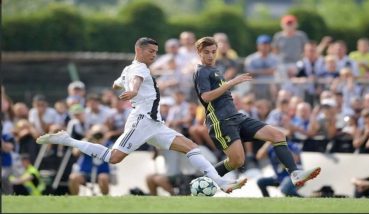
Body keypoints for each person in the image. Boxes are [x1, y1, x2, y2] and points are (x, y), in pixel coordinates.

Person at [36, 37, 246, 193]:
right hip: (141, 121)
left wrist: (122, 86)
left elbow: (116, 83)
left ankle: (222, 183)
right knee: (114, 157)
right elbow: (135, 80)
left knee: (192, 147)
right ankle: (67, 140)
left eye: (156, 52)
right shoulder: (140, 69)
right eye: (151, 51)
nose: (154, 55)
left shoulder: (129, 68)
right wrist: (134, 90)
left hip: (155, 124)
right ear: (139, 50)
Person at [193, 37, 320, 187]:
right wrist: (231, 83)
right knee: (237, 161)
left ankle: (295, 173)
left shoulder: (214, 70)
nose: (210, 55)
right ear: (199, 52)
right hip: (221, 121)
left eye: (213, 52)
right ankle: (202, 183)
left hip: (237, 117)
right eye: (206, 52)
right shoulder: (201, 72)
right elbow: (206, 97)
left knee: (278, 135)